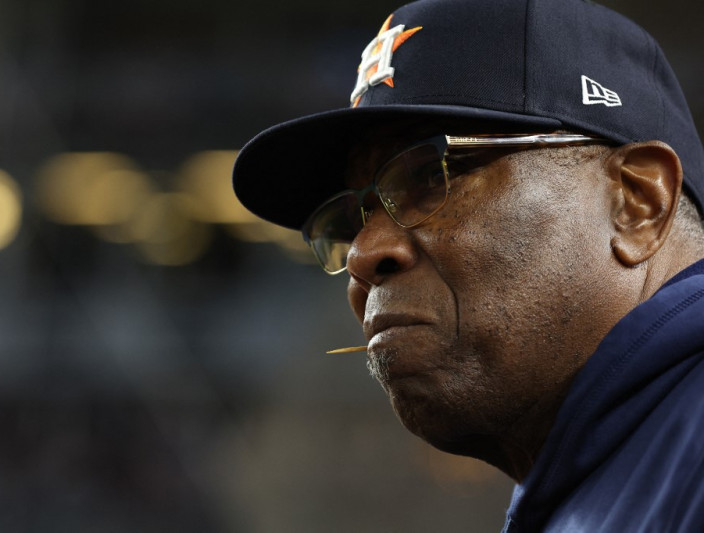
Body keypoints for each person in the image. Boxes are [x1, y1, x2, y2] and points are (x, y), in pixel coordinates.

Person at [233, 0, 704, 530]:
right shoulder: (614, 469)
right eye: (353, 219)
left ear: (636, 202)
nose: (363, 256)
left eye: (430, 178)